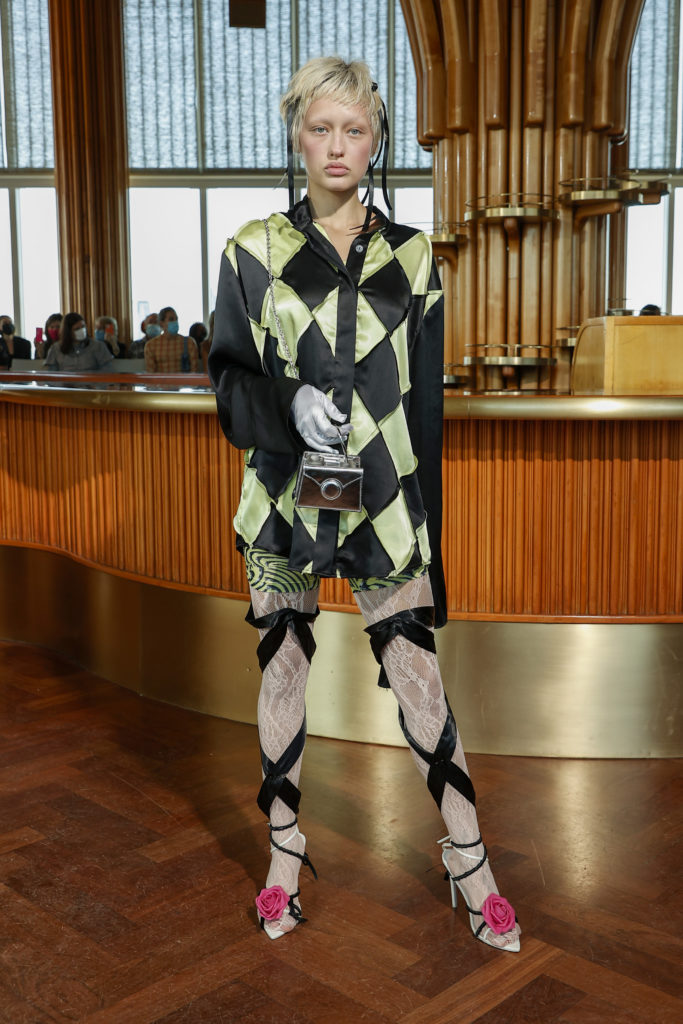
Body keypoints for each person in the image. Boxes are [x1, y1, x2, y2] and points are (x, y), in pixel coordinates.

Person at [208, 56, 520, 952]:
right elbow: (228, 383)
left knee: (418, 676)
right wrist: (285, 406)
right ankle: (283, 852)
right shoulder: (251, 251)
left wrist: (431, 528)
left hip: (385, 499)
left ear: (378, 140)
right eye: (320, 127)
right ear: (295, 133)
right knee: (282, 668)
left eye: (354, 129)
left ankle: (470, 862)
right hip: (281, 494)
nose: (336, 145)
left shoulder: (413, 257)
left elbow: (426, 408)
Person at [44, 312, 115, 371]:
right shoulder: (56, 349)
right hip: (65, 386)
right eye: (77, 329)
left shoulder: (98, 346)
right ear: (68, 332)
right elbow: (51, 375)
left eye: (83, 327)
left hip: (92, 386)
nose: (81, 331)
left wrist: (96, 385)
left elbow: (107, 371)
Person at [144, 306, 198, 372]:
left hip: (184, 382)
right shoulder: (151, 345)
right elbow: (151, 374)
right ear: (161, 323)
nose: (175, 322)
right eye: (171, 319)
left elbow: (194, 372)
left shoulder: (189, 343)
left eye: (176, 319)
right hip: (161, 382)